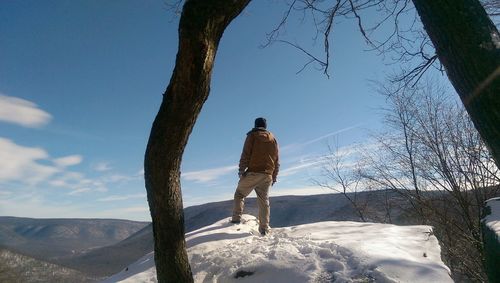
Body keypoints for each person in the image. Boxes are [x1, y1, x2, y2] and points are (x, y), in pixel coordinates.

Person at [231, 117, 279, 235]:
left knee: (240, 194)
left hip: (253, 172)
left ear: (255, 125)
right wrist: (274, 176)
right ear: (265, 126)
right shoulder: (273, 139)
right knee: (264, 201)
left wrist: (241, 171)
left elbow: (246, 154)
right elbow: (276, 159)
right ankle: (264, 229)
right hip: (268, 174)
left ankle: (236, 219)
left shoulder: (252, 136)